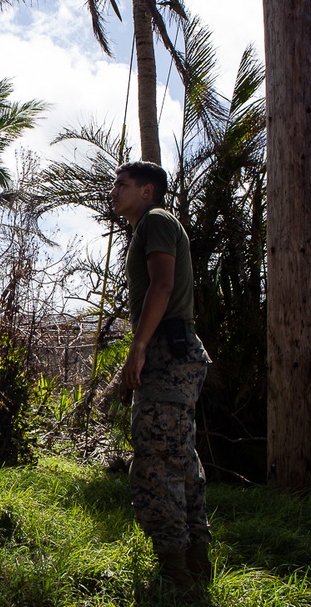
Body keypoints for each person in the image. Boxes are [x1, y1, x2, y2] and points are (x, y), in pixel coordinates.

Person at [110, 161, 213, 594]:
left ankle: (177, 577)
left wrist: (138, 348)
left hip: (167, 355)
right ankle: (193, 566)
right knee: (179, 459)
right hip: (176, 351)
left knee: (155, 465)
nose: (114, 190)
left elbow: (162, 285)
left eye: (122, 184)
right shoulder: (151, 224)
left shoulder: (155, 220)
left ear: (148, 191)